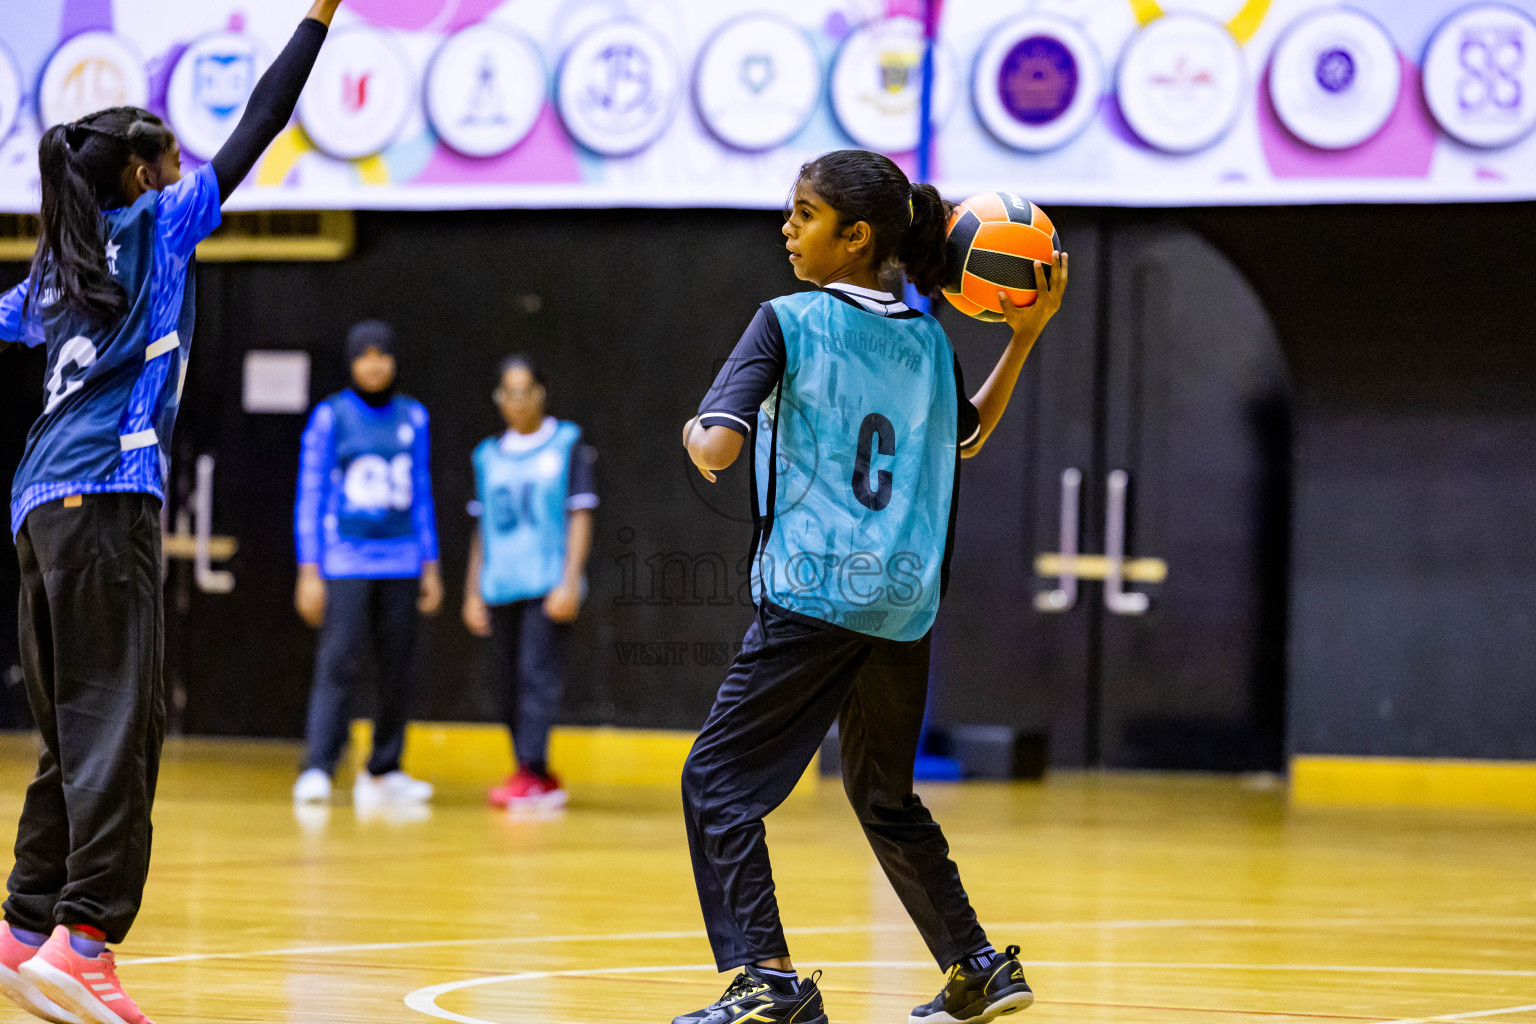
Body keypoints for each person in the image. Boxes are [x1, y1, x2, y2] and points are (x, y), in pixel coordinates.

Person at [0, 4, 344, 1022]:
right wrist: (317, 19)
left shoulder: (53, 272)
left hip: (35, 507)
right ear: (146, 176)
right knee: (120, 729)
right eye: (174, 157)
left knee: (72, 728)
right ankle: (87, 936)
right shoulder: (166, 222)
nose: (189, 167)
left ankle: (25, 927)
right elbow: (265, 119)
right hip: (109, 499)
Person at [677, 150, 1068, 1024]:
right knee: (884, 793)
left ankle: (767, 979)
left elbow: (720, 447)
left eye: (804, 215)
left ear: (855, 238)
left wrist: (698, 432)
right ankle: (976, 964)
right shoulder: (929, 338)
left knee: (718, 782)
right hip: (900, 601)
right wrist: (1024, 337)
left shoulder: (785, 321)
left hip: (814, 591)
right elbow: (966, 439)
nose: (788, 229)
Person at [291, 320, 441, 808]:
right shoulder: (330, 416)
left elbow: (421, 494)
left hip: (401, 560)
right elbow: (310, 491)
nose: (373, 364)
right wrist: (309, 568)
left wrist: (430, 565)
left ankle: (384, 767)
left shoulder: (413, 416)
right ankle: (318, 765)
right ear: (352, 361)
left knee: (398, 667)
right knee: (339, 663)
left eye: (382, 354)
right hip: (345, 559)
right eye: (364, 355)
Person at [462, 356, 596, 811]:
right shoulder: (487, 455)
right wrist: (472, 590)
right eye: (508, 393)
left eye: (525, 391)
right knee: (503, 684)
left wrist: (570, 580)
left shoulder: (566, 443)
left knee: (536, 676)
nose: (516, 401)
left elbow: (580, 515)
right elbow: (481, 530)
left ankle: (533, 772)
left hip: (546, 582)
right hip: (501, 583)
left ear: (541, 393)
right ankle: (529, 768)